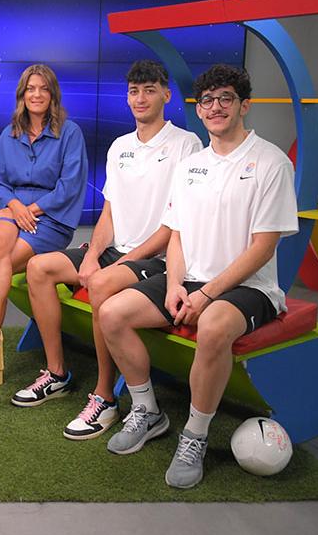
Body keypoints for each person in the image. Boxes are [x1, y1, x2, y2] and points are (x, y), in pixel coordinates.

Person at [98, 64, 298, 488]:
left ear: (245, 105)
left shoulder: (271, 162)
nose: (215, 107)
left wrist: (206, 294)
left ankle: (195, 434)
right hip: (188, 279)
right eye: (207, 100)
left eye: (226, 98)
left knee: (212, 326)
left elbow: (263, 247)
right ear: (199, 108)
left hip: (249, 287)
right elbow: (178, 234)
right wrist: (174, 284)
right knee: (112, 313)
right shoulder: (192, 165)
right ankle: (147, 410)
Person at [15, 61, 202, 443]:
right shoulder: (120, 147)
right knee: (38, 268)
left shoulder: (186, 145)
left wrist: (126, 260)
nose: (140, 98)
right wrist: (91, 254)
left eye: (149, 90)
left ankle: (105, 397)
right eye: (134, 91)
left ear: (166, 95)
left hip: (158, 259)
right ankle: (57, 374)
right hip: (115, 250)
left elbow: (177, 224)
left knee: (100, 283)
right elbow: (110, 212)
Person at [0, 64, 88, 394]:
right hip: (13, 210)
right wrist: (16, 207)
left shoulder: (70, 133)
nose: (37, 94)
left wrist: (30, 209)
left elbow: (70, 186)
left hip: (50, 218)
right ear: (22, 95)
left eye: (43, 88)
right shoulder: (9, 134)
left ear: (52, 94)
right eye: (31, 88)